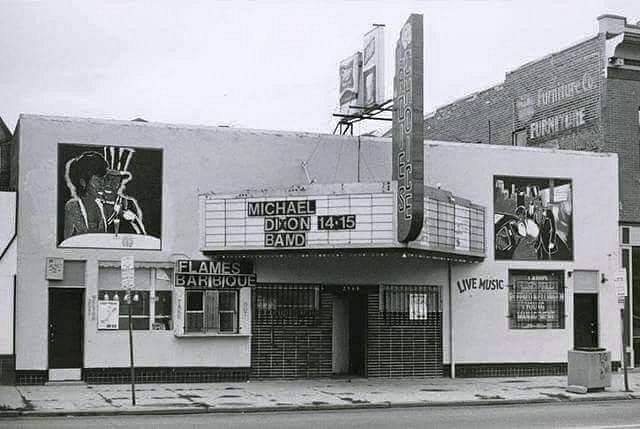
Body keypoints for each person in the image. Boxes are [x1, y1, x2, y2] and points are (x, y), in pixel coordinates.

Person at [63, 152, 109, 239]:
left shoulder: (101, 205)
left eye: (103, 180)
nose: (103, 185)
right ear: (83, 182)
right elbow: (66, 244)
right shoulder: (72, 207)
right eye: (98, 181)